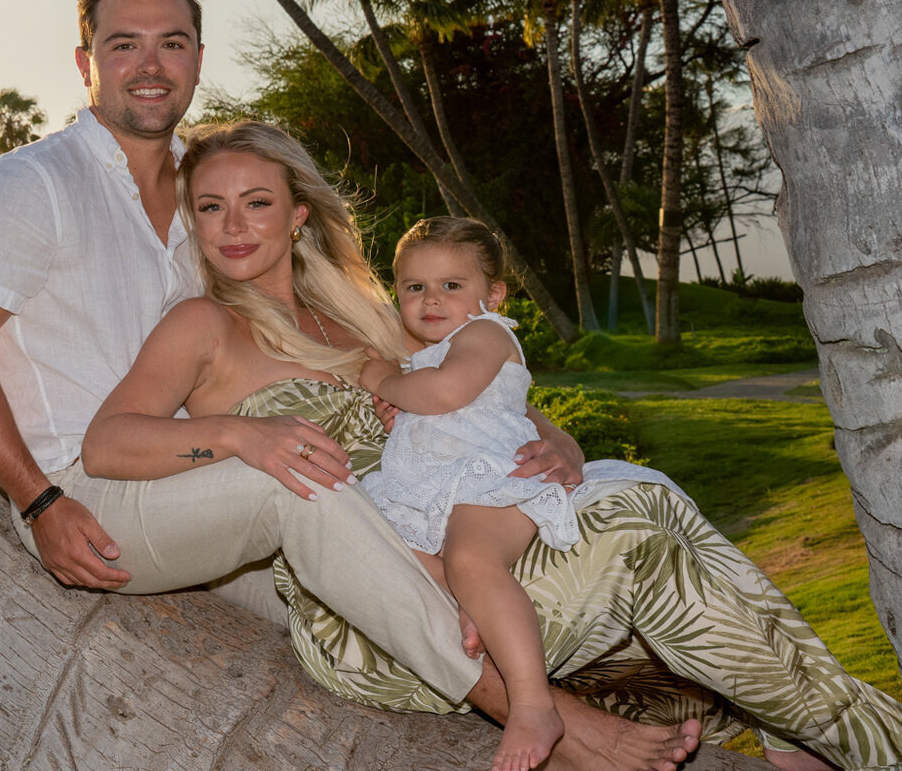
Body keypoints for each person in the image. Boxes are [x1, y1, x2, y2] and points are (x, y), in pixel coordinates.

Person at [0, 0, 703, 771]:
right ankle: (547, 721)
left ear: (197, 59)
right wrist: (40, 500)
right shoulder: (31, 185)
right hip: (92, 492)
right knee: (299, 485)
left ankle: (692, 689)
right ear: (86, 62)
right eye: (123, 45)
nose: (149, 65)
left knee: (417, 532)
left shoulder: (207, 191)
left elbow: (417, 363)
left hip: (205, 491)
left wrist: (549, 434)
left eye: (171, 43)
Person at [87, 119, 902, 771]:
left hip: (458, 544)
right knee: (635, 541)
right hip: (369, 616)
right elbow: (107, 443)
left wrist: (560, 442)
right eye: (211, 206)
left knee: (647, 495)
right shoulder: (204, 325)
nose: (233, 226)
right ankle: (861, 742)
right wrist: (236, 434)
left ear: (298, 213)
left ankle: (801, 727)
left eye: (256, 202)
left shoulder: (366, 318)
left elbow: (477, 402)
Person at [355, 218, 680, 771]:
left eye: (451, 285)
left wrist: (384, 381)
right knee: (387, 547)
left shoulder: (485, 335)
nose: (431, 299)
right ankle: (472, 606)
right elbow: (427, 406)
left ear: (495, 294)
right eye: (414, 287)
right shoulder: (428, 351)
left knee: (471, 557)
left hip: (490, 477)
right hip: (434, 488)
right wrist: (400, 408)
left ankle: (532, 704)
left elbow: (446, 393)